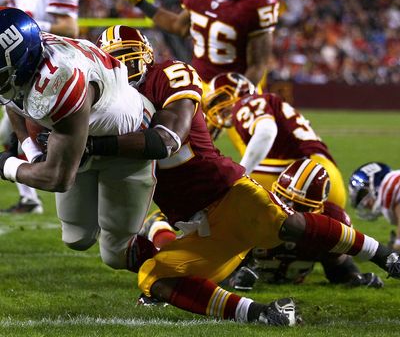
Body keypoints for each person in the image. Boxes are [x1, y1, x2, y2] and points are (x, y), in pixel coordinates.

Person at [87, 25, 400, 326]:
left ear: (147, 55)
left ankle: (385, 256)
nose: (124, 65)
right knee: (154, 276)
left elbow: (166, 140)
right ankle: (264, 313)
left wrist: (93, 145)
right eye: (115, 59)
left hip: (225, 192)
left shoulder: (169, 74)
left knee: (286, 223)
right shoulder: (108, 104)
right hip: (196, 225)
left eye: (129, 55)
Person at [0, 7, 156, 273]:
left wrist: (6, 165)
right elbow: (14, 102)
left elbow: (57, 178)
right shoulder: (29, 53)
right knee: (76, 237)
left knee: (116, 251)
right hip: (80, 135)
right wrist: (32, 152)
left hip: (126, 138)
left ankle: (171, 266)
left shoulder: (59, 80)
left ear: (23, 62)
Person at [114, 0, 279, 152]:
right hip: (201, 83)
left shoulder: (257, 4)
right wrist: (141, 3)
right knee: (185, 150)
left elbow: (258, 64)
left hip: (239, 85)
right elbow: (177, 26)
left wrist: (235, 95)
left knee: (258, 150)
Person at [1, 0, 80, 214]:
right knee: (8, 129)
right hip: (23, 67)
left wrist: (34, 24)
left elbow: (70, 26)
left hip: (52, 66)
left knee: (54, 130)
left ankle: (50, 179)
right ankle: (31, 194)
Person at [228, 159, 384, 290]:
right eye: (284, 200)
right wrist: (233, 278)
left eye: (300, 206)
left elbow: (337, 267)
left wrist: (353, 278)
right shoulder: (254, 211)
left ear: (318, 209)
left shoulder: (331, 221)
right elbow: (217, 264)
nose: (289, 211)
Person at [203, 72, 347, 209]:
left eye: (221, 98)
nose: (218, 108)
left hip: (305, 175)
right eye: (214, 103)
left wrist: (240, 174)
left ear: (239, 90)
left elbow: (266, 132)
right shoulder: (267, 102)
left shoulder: (246, 102)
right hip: (327, 177)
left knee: (221, 184)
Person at [349, 162, 400, 251]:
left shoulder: (390, 185)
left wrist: (397, 245)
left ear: (375, 181)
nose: (364, 203)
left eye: (363, 194)